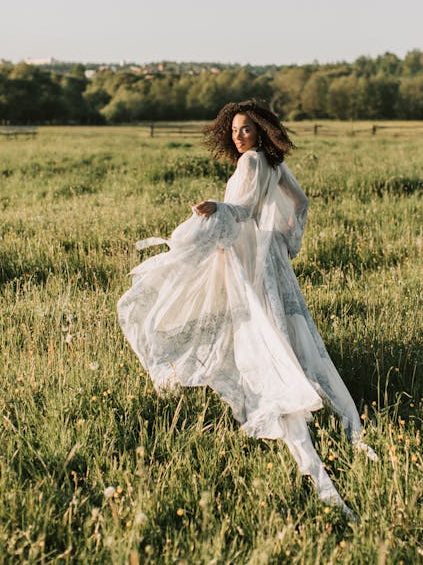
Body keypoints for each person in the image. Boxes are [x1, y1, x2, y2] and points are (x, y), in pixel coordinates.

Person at [118, 99, 377, 519]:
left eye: (246, 129)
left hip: (253, 260)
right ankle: (316, 400)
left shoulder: (253, 163)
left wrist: (217, 208)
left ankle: (289, 405)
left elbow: (242, 210)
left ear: (260, 131)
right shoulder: (273, 163)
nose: (239, 136)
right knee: (285, 330)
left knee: (258, 328)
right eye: (235, 130)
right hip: (267, 257)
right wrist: (282, 240)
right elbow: (301, 201)